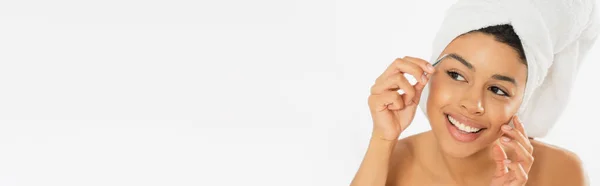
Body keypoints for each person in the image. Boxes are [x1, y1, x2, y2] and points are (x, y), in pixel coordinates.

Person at [350, 23, 591, 186]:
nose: (472, 104)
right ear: (429, 73)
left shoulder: (561, 173)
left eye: (498, 90)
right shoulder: (389, 163)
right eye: (456, 75)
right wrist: (382, 139)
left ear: (522, 103)